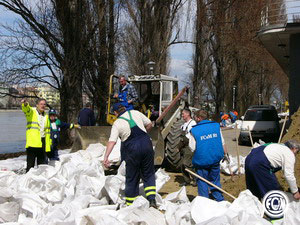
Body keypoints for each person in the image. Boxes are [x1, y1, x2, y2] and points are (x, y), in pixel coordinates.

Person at [103, 102, 156, 208]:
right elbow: (150, 124)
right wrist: (144, 134)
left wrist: (106, 157)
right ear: (124, 108)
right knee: (148, 173)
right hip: (147, 144)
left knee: (132, 176)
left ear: (115, 112)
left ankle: (131, 203)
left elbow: (112, 141)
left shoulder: (117, 123)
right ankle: (152, 200)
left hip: (133, 148)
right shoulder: (136, 112)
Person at [189, 110, 229, 201]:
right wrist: (226, 154)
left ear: (199, 118)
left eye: (196, 117)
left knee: (202, 181)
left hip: (202, 161)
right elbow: (222, 142)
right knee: (215, 180)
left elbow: (192, 148)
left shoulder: (194, 130)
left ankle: (204, 201)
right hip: (215, 159)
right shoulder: (216, 126)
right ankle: (219, 199)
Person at [21, 98, 51, 172]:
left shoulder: (46, 116)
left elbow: (47, 131)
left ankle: (40, 181)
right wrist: (25, 104)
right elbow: (26, 109)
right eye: (41, 104)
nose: (43, 106)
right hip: (33, 143)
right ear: (37, 105)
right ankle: (28, 180)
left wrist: (49, 144)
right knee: (30, 166)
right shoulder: (32, 112)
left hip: (43, 142)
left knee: (41, 166)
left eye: (44, 104)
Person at [178, 108, 196, 186]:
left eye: (183, 114)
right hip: (183, 147)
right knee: (182, 164)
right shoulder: (184, 124)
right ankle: (187, 180)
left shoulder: (192, 123)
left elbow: (189, 137)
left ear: (188, 114)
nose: (182, 116)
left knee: (186, 163)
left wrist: (181, 142)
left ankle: (196, 179)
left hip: (189, 146)